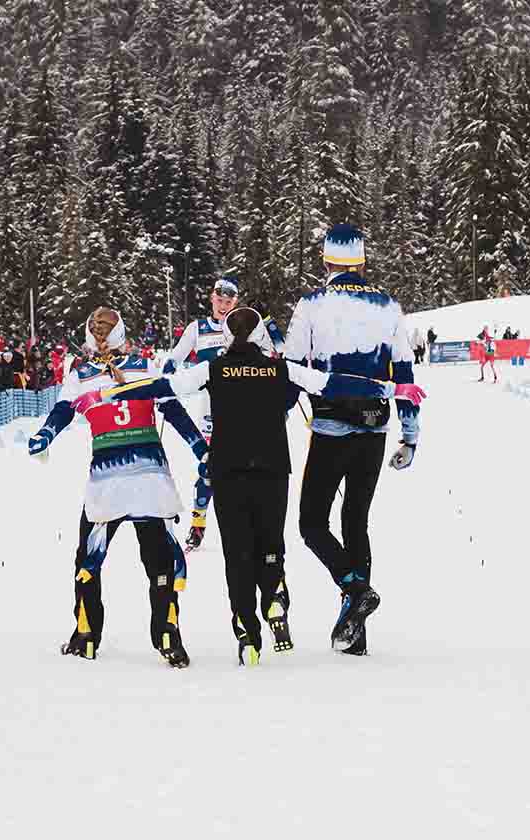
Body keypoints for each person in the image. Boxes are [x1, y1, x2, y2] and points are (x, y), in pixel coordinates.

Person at [72, 307, 426, 665]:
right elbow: (333, 383)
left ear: (227, 337)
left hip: (228, 469)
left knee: (237, 553)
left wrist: (107, 396)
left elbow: (161, 387)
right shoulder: (281, 368)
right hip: (273, 469)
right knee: (271, 544)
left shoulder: (212, 369)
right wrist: (394, 388)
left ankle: (248, 636)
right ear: (260, 337)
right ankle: (274, 592)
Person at [27, 307, 209, 668]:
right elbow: (172, 410)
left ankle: (86, 635)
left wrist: (45, 435)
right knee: (158, 560)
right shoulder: (145, 364)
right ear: (122, 335)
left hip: (107, 483)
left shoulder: (79, 372)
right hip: (149, 480)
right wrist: (200, 449)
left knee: (88, 559)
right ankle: (168, 634)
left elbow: (62, 410)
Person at [284, 223, 424, 657]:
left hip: (329, 428)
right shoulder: (388, 307)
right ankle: (355, 634)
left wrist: (272, 419)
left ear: (327, 261)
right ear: (361, 261)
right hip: (375, 428)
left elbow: (290, 367)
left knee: (312, 524)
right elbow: (404, 374)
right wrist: (411, 436)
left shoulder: (311, 304)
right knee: (356, 521)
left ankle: (354, 587)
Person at [162, 275, 273, 552]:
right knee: (209, 470)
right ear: (212, 298)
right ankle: (198, 524)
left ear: (236, 301)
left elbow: (274, 354)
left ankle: (250, 525)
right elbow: (176, 356)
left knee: (248, 469)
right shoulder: (197, 328)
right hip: (210, 410)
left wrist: (267, 322)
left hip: (245, 410)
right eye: (220, 300)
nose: (224, 306)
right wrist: (168, 370)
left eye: (229, 301)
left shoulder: (245, 324)